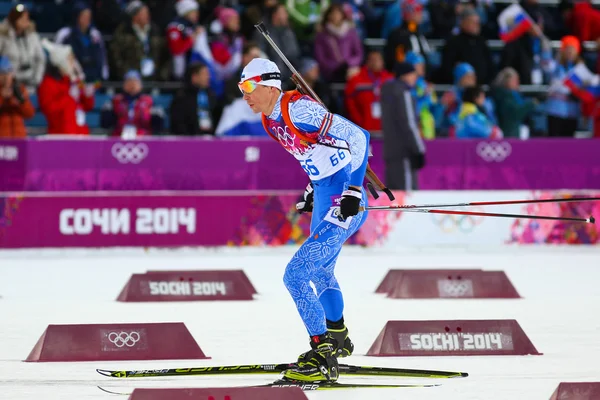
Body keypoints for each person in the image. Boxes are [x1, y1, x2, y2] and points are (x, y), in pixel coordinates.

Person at [238, 58, 370, 382]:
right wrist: (312, 187)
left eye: (249, 87)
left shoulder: (298, 110)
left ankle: (321, 350)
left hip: (343, 197)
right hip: (326, 192)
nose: (245, 95)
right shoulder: (270, 121)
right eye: (241, 89)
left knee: (295, 274)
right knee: (321, 270)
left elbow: (359, 137)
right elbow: (314, 152)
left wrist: (353, 190)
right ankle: (337, 336)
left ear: (270, 85)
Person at [381, 62, 425, 191]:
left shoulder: (387, 93)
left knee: (395, 195)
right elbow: (409, 123)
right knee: (407, 195)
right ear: (405, 75)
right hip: (404, 152)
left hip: (390, 151)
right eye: (413, 75)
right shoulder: (403, 93)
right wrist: (418, 150)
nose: (415, 78)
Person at [37, 39, 95, 135]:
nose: (74, 62)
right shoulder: (48, 83)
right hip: (61, 134)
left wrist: (88, 95)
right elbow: (50, 111)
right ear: (62, 62)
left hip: (80, 132)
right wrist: (68, 97)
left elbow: (86, 107)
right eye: (70, 59)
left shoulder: (73, 81)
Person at [109, 0, 171, 81]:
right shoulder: (123, 32)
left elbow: (166, 54)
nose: (147, 16)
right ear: (134, 16)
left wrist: (162, 75)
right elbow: (115, 56)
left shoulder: (155, 31)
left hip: (154, 79)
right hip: (131, 80)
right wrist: (126, 73)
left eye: (147, 13)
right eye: (143, 13)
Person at [55, 1, 108, 83]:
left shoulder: (95, 34)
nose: (87, 19)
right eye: (84, 16)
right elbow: (58, 57)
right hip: (71, 80)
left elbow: (101, 56)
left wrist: (103, 76)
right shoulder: (65, 33)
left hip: (92, 80)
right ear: (77, 16)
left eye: (89, 16)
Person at [101, 70, 163, 138]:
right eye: (129, 82)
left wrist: (156, 115)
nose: (132, 85)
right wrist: (107, 113)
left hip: (143, 137)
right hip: (119, 136)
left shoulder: (149, 101)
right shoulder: (116, 100)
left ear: (140, 85)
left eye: (135, 82)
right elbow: (105, 124)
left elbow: (158, 126)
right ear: (124, 84)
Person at [344, 49, 393, 132]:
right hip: (363, 129)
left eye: (379, 59)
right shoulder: (356, 80)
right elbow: (349, 103)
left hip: (386, 129)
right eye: (373, 60)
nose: (376, 62)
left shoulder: (389, 79)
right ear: (367, 62)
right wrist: (359, 122)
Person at [314, 4, 363, 83]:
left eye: (338, 13)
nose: (335, 16)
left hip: (349, 68)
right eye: (332, 14)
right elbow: (320, 58)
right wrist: (335, 65)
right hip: (331, 71)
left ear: (342, 15)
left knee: (355, 76)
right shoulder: (322, 35)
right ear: (328, 16)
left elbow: (358, 53)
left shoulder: (351, 32)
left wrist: (349, 63)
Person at [0, 4, 45, 90]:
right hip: (10, 83)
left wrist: (37, 78)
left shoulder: (32, 35)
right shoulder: (3, 35)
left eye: (26, 18)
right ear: (14, 19)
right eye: (22, 18)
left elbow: (40, 59)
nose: (25, 21)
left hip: (31, 82)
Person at [170, 62, 218, 136]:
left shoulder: (211, 95)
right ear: (194, 77)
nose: (208, 77)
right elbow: (178, 125)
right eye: (204, 74)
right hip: (190, 141)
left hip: (212, 139)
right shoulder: (181, 98)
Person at [490, 67, 537, 138]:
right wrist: (531, 103)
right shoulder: (503, 95)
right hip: (507, 133)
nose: (518, 83)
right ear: (506, 81)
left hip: (515, 130)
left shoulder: (514, 94)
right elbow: (515, 113)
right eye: (515, 80)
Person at [0, 56, 35, 138]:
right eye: (2, 73)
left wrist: (21, 101)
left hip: (19, 138)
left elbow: (30, 114)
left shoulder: (19, 89)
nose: (6, 77)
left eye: (8, 72)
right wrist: (2, 97)